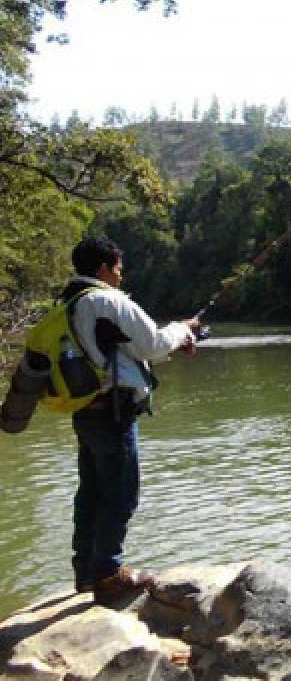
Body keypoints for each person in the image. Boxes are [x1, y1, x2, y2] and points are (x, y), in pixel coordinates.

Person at [64, 235, 200, 606]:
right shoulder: (106, 300)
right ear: (104, 268)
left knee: (91, 491)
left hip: (85, 411)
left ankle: (86, 572)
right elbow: (152, 344)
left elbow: (122, 350)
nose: (121, 275)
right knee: (120, 493)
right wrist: (184, 329)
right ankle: (108, 575)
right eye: (118, 268)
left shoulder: (67, 304)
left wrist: (174, 337)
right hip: (114, 413)